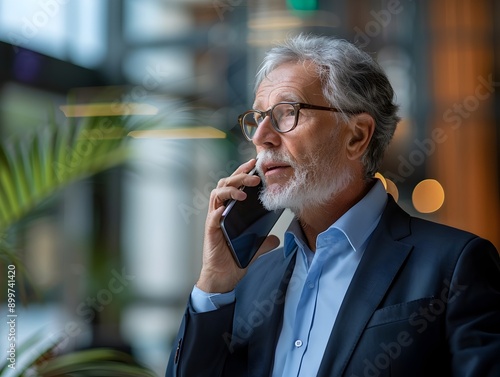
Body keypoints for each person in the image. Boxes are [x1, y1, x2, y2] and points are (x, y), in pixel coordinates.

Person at [166, 34, 500, 377]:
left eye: (286, 113)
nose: (260, 136)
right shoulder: (250, 281)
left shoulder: (455, 264)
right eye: (258, 117)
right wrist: (214, 285)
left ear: (356, 136)